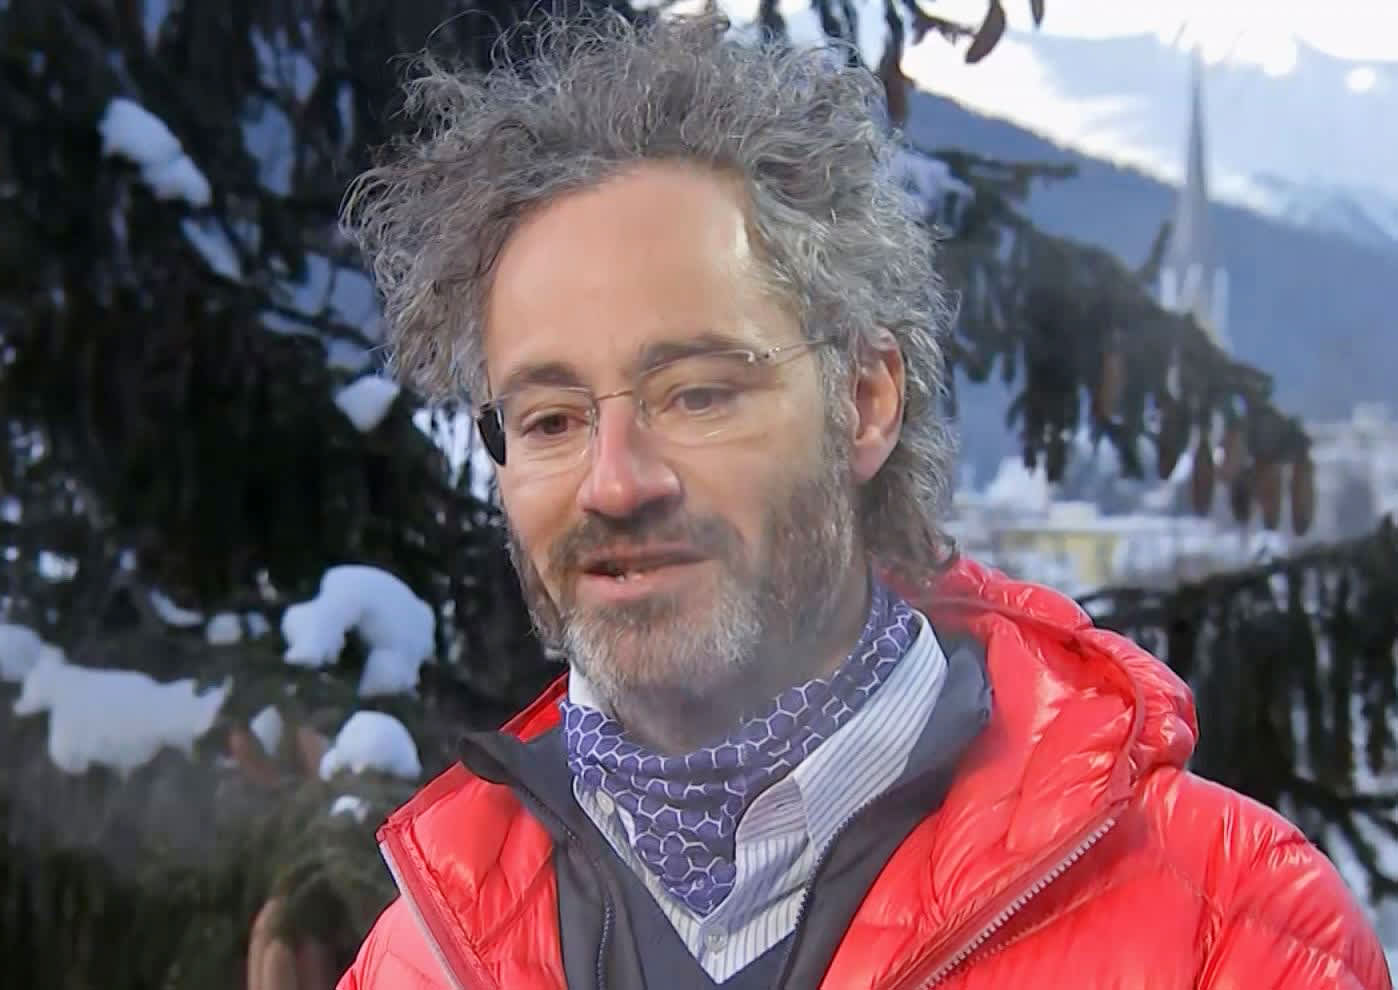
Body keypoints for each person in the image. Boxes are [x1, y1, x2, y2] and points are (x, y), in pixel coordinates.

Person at [335, 12, 1390, 989]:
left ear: (866, 400)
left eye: (696, 394)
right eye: (551, 419)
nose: (614, 481)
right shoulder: (420, 959)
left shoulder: (1228, 933)